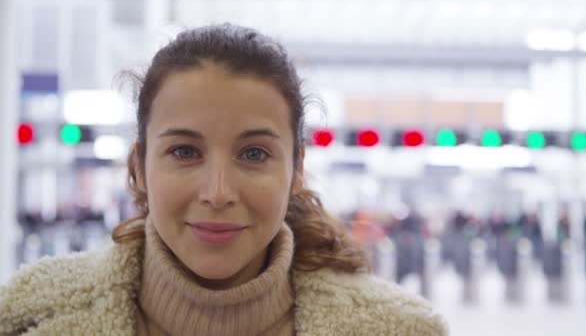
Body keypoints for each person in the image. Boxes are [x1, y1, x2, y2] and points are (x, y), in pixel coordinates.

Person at [0, 24, 447, 335]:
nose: (217, 193)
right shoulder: (28, 319)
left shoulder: (400, 330)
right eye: (184, 152)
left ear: (295, 170)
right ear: (137, 167)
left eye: (254, 154)